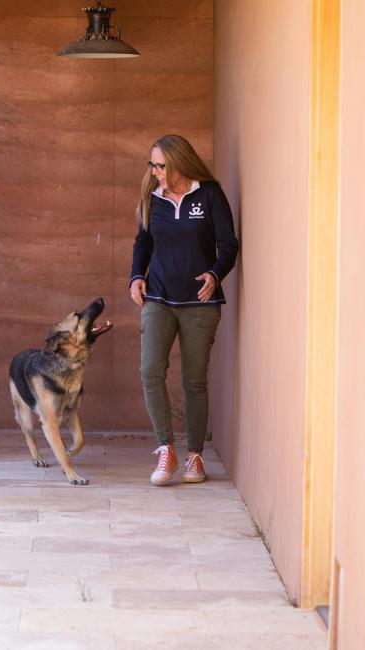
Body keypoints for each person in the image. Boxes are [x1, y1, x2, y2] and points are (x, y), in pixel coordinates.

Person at [129, 134, 239, 486]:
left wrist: (214, 272)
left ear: (179, 162)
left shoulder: (208, 194)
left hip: (200, 305)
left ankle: (194, 457)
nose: (156, 172)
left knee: (194, 380)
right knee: (150, 371)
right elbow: (143, 241)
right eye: (153, 165)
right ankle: (166, 450)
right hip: (158, 299)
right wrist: (135, 276)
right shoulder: (153, 197)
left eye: (161, 165)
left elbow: (228, 243)